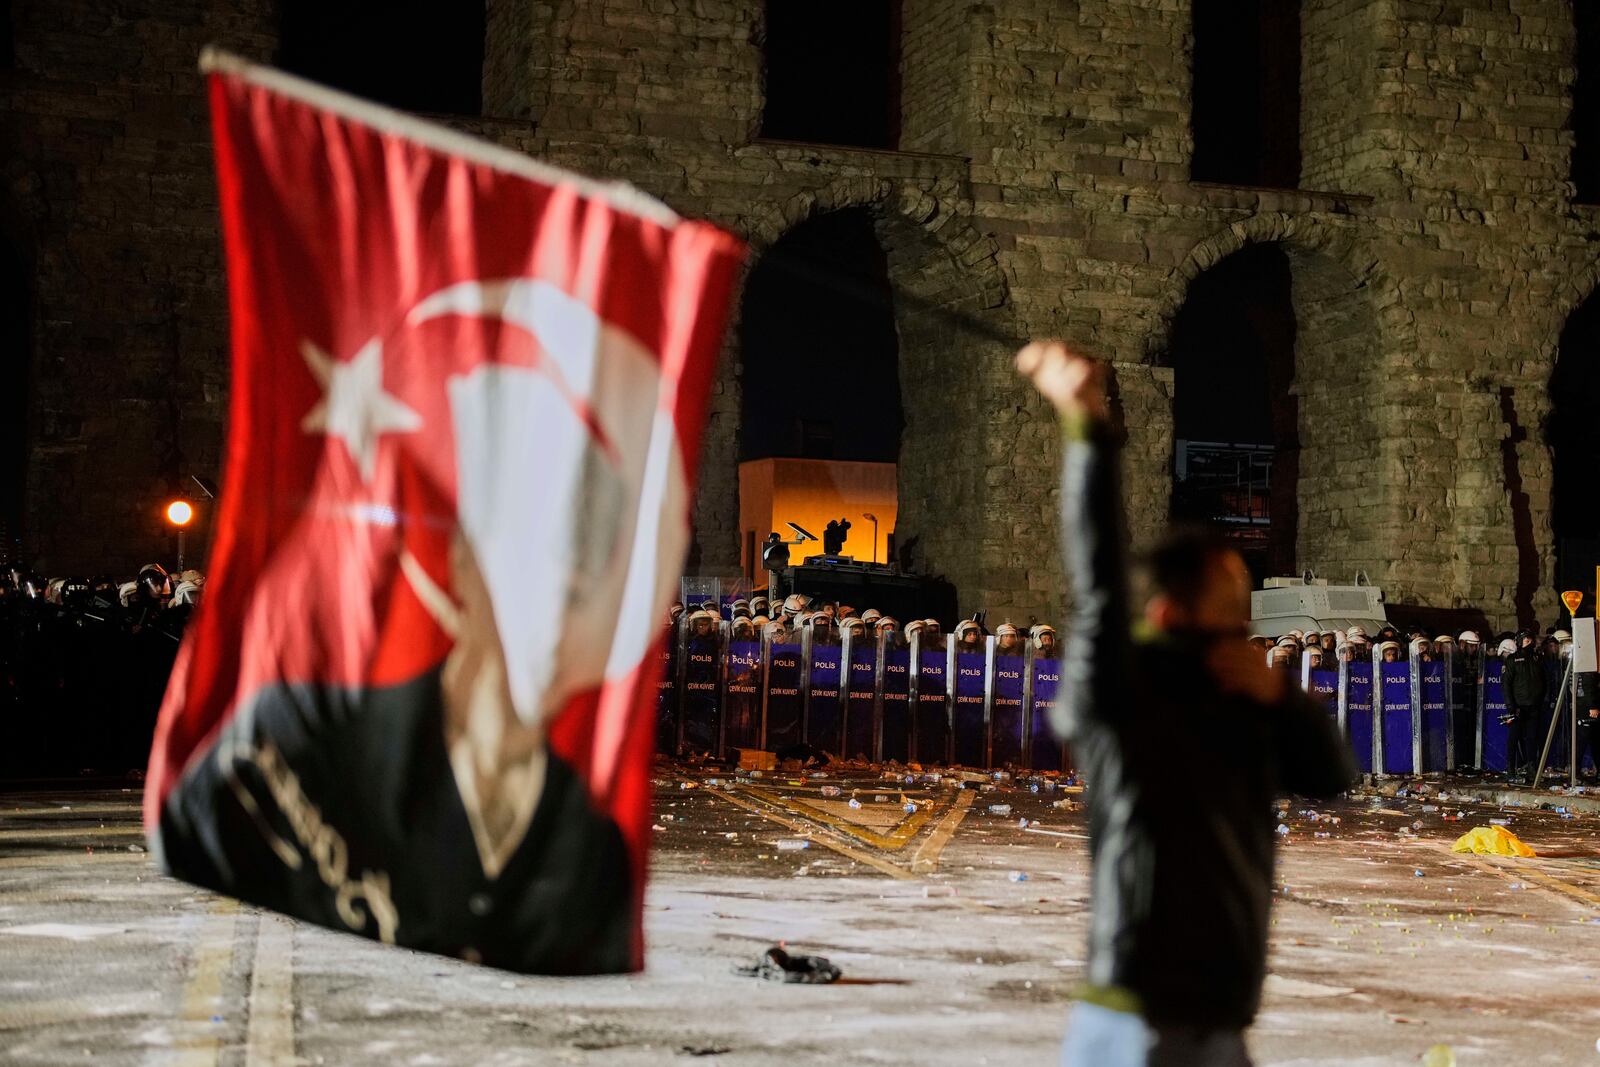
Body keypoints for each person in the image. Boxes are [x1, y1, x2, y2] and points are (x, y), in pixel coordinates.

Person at [1016, 340, 1353, 1067]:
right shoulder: (1127, 691)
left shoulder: (1250, 701)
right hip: (1140, 1013)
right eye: (1227, 620)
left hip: (1222, 1014)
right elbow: (1100, 576)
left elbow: (1330, 775)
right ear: (1172, 618)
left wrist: (1282, 696)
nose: (1241, 639)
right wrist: (1087, 429)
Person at [1504, 630, 1545, 783]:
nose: (1529, 643)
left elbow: (1543, 681)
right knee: (1513, 739)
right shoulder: (1512, 660)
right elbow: (1506, 685)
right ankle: (1510, 769)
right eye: (1526, 640)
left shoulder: (1537, 659)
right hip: (1518, 707)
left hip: (1533, 706)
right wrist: (1511, 707)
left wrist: (1541, 702)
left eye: (1530, 640)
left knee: (1532, 739)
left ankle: (1531, 769)